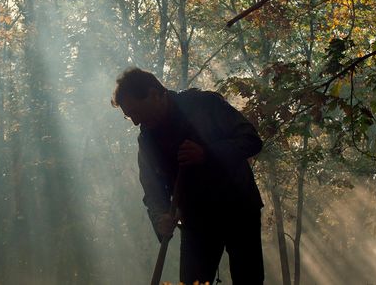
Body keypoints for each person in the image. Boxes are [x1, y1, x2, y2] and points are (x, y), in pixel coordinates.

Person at [112, 67, 264, 285]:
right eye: (130, 117)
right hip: (197, 222)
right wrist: (160, 217)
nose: (136, 122)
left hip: (238, 210)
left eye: (136, 112)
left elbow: (251, 140)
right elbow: (152, 188)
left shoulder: (204, 104)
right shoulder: (147, 140)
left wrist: (207, 153)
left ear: (155, 94)